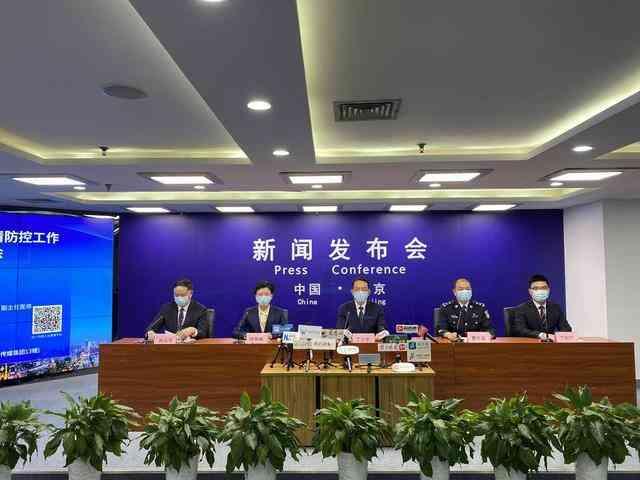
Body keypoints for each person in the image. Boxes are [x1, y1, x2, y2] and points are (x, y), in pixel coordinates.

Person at [512, 274, 572, 340]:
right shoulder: (521, 309)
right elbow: (520, 330)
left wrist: (558, 337)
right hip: (530, 344)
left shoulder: (555, 307)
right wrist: (540, 335)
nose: (540, 291)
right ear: (530, 291)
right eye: (536, 288)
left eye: (544, 288)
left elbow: (566, 329)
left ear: (548, 290)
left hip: (551, 344)